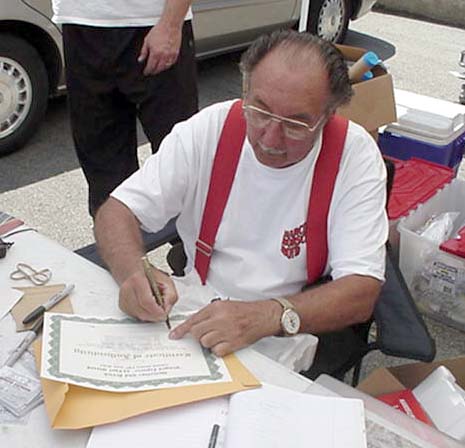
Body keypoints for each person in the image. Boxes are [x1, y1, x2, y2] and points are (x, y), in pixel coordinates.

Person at [94, 30, 388, 368]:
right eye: (260, 111)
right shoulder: (210, 130)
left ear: (328, 114)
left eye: (295, 125)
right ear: (245, 90)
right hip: (197, 306)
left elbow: (361, 290)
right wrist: (133, 271)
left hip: (293, 325)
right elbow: (117, 210)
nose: (270, 138)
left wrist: (268, 316)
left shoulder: (353, 155)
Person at [52, 0, 198, 217]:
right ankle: (122, 248)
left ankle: (190, 247)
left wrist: (170, 24)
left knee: (180, 163)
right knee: (105, 174)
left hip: (152, 22)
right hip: (81, 23)